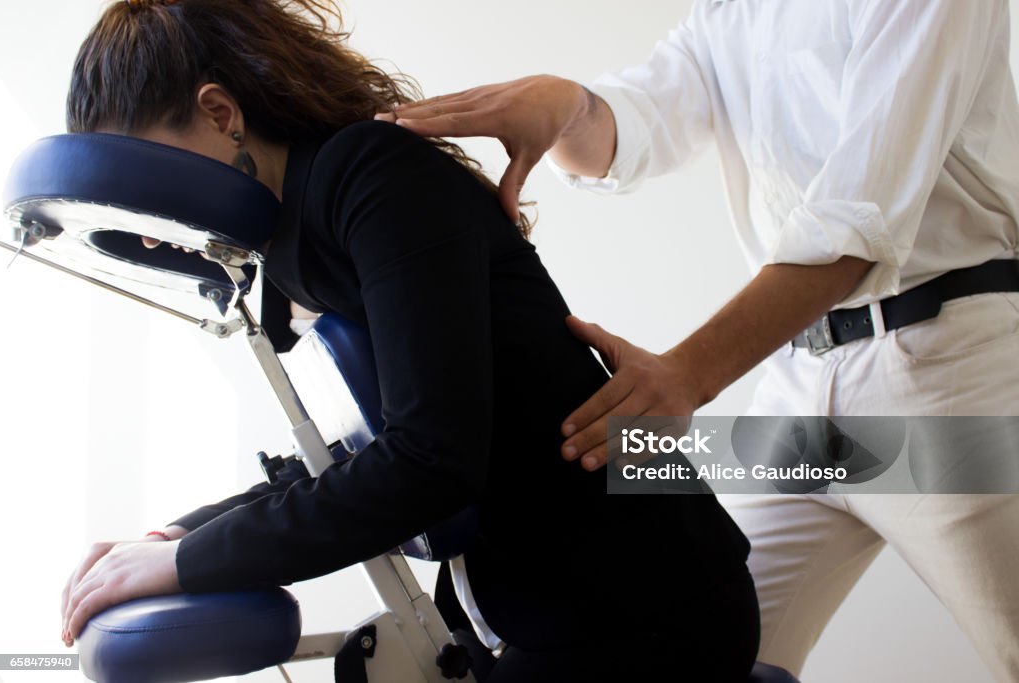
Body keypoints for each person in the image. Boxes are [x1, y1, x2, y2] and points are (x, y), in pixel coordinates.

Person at [57, 1, 760, 680]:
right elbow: (354, 453)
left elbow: (429, 459)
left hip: (644, 603)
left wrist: (189, 562)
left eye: (147, 183)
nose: (148, 231)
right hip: (529, 609)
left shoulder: (370, 176)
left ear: (220, 113)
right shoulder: (288, 252)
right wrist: (176, 539)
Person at [386, 1, 1019, 680]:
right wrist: (567, 106)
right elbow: (638, 122)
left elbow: (854, 225)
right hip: (801, 386)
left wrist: (687, 372)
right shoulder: (733, 9)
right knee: (694, 646)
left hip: (947, 370)